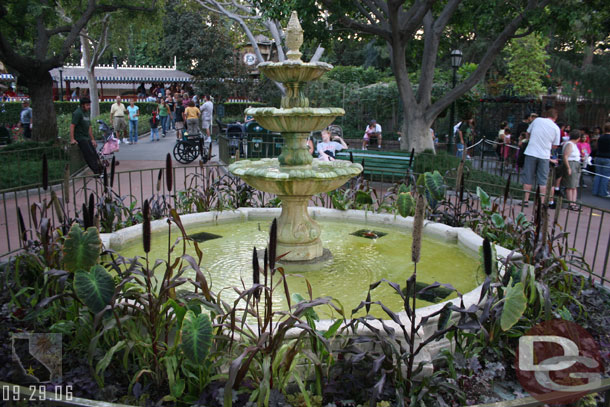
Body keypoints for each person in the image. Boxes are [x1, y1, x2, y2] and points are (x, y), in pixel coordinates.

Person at [521, 108, 561, 206]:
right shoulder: (556, 128)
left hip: (531, 152)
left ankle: (525, 200)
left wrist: (530, 140)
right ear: (555, 118)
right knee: (543, 179)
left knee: (528, 177)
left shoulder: (537, 120)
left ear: (546, 114)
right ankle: (541, 201)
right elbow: (555, 145)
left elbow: (528, 133)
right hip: (544, 155)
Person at [70, 97, 101, 175]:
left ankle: (100, 169)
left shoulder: (87, 113)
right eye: (87, 105)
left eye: (89, 105)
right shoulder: (77, 113)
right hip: (80, 137)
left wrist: (92, 139)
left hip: (86, 137)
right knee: (89, 154)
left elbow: (89, 126)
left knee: (94, 153)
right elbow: (72, 126)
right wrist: (72, 139)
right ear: (82, 105)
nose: (89, 107)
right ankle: (96, 172)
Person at [560, 129, 583, 211]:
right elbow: (565, 156)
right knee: (570, 185)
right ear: (578, 138)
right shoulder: (569, 144)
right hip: (571, 164)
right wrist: (568, 168)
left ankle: (574, 202)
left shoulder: (574, 144)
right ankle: (571, 203)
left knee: (574, 185)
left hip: (576, 164)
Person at [592, 122, 610, 198]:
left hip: (599, 156)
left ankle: (595, 191)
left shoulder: (600, 137)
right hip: (608, 158)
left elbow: (596, 146)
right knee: (605, 176)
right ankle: (603, 192)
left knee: (598, 175)